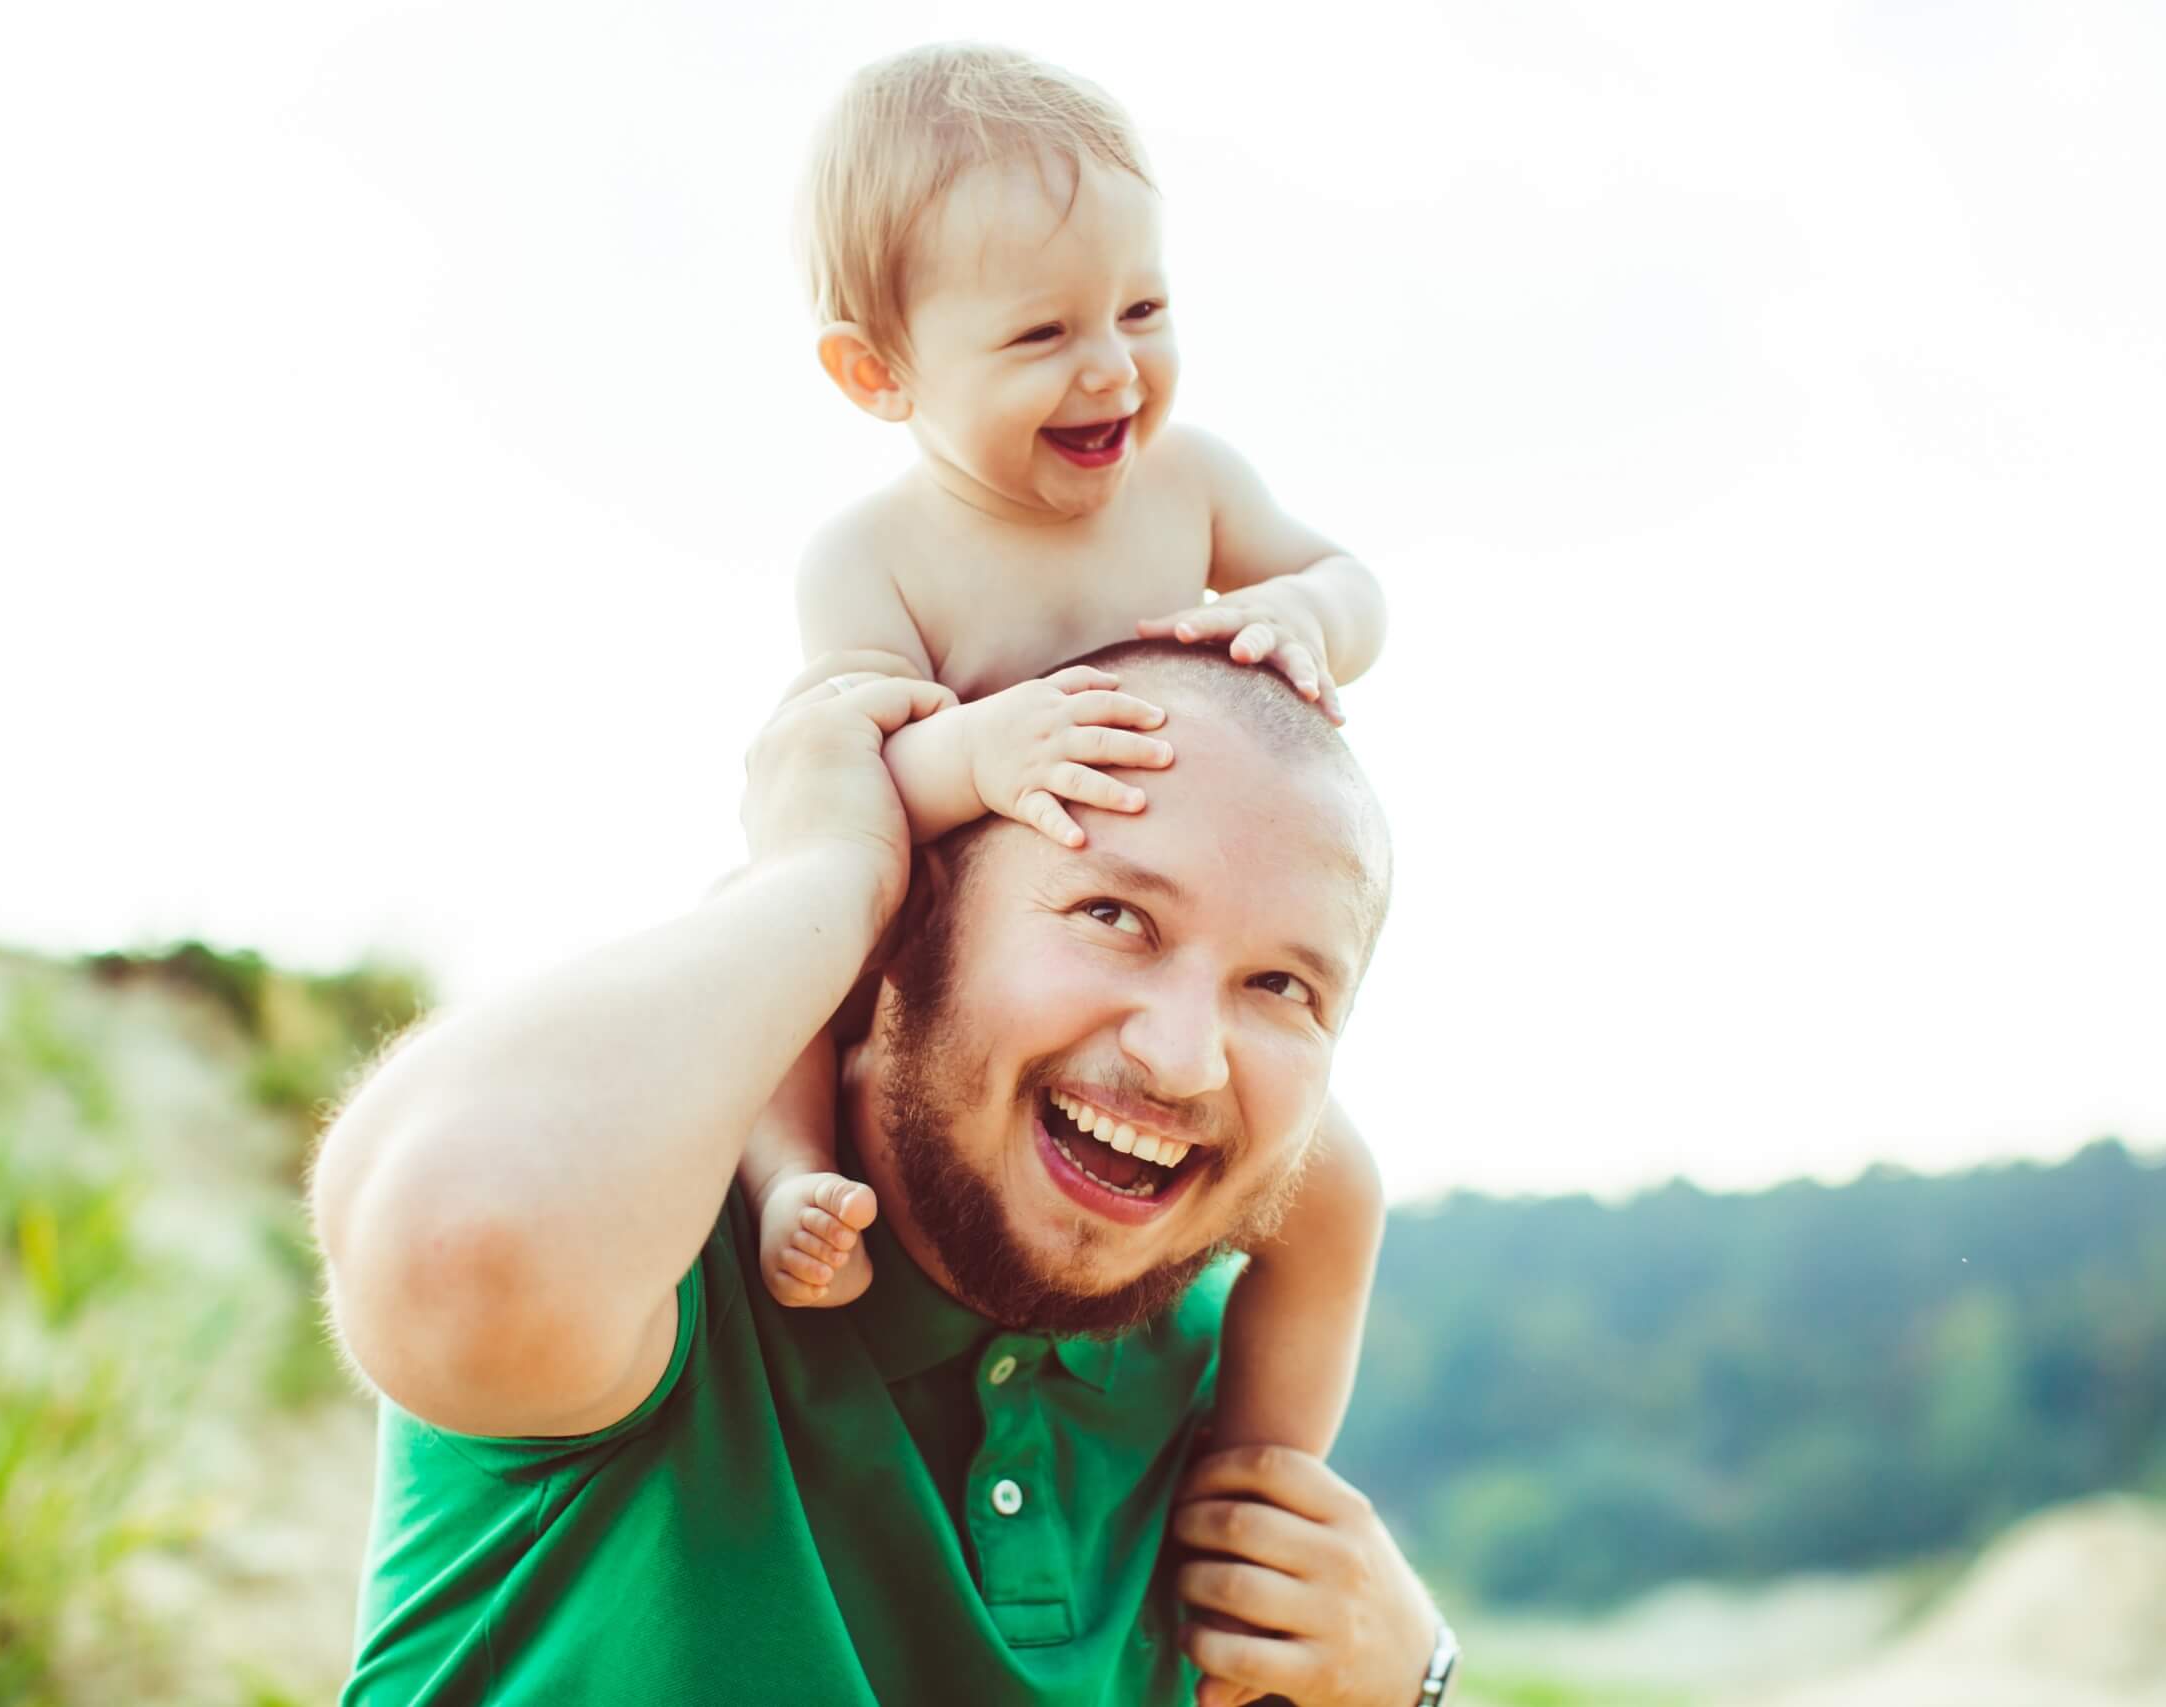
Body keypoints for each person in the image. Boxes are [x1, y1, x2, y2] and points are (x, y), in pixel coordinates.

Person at [312, 641, 1456, 1704]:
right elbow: (454, 1249)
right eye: (1112, 914)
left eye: (1284, 989)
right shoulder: (652, 1236)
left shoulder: (1231, 1385)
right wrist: (831, 868)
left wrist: (1418, 1682)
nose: (1183, 1055)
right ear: (912, 925)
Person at [743, 41, 1392, 1478]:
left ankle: (1264, 1475)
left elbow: (1355, 583)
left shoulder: (1194, 481)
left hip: (1154, 924)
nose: (1113, 365)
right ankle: (785, 1168)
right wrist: (978, 745)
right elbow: (843, 781)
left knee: (1337, 1187)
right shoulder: (875, 556)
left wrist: (1301, 611)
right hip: (929, 940)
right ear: (878, 370)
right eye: (1042, 336)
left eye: (1144, 308)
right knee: (778, 941)